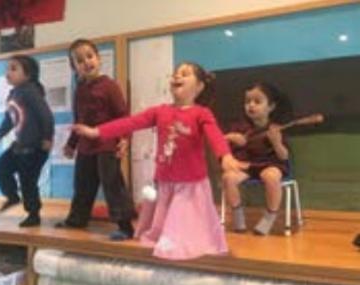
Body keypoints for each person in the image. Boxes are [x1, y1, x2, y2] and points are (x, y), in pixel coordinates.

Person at [73, 62, 245, 260]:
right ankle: (166, 238)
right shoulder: (159, 111)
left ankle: (175, 243)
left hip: (189, 184)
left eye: (185, 74)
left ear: (199, 87)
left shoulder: (201, 113)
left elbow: (214, 134)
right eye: (175, 74)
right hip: (165, 180)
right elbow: (131, 122)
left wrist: (225, 155)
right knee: (164, 225)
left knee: (180, 229)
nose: (177, 76)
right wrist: (98, 131)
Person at [54, 39, 136, 241]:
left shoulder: (109, 86)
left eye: (90, 56)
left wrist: (125, 138)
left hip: (107, 145)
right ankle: (77, 219)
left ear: (98, 59)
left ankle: (125, 226)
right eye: (79, 60)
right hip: (85, 147)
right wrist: (71, 144)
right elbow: (79, 121)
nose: (86, 62)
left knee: (112, 184)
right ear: (74, 67)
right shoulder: (79, 90)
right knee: (82, 185)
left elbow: (124, 116)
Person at [222, 82, 293, 235]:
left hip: (272, 165)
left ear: (271, 107)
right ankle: (238, 214)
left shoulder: (276, 128)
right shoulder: (239, 126)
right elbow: (220, 142)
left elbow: (284, 156)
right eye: (247, 102)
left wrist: (276, 142)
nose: (251, 105)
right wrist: (230, 137)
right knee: (228, 177)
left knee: (270, 176)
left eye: (257, 101)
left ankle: (270, 216)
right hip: (248, 166)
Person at [0, 55, 54, 227]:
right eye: (7, 68)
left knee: (28, 181)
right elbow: (9, 119)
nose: (8, 72)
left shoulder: (30, 91)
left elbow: (46, 115)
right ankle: (12, 196)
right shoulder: (14, 94)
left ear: (28, 75)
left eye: (13, 68)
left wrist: (47, 138)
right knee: (1, 167)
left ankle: (33, 214)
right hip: (19, 146)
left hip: (35, 147)